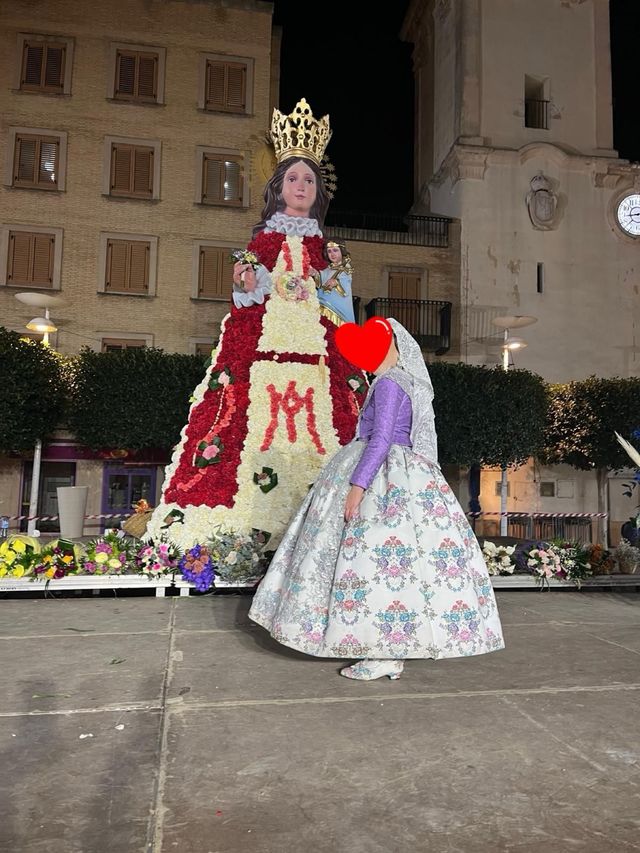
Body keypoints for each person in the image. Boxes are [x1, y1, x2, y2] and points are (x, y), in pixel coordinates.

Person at [145, 99, 367, 552]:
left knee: (333, 424)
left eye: (309, 178)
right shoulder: (262, 241)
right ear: (279, 186)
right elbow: (249, 299)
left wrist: (335, 277)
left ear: (319, 190)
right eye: (293, 178)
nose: (301, 185)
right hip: (261, 359)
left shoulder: (328, 248)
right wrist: (249, 280)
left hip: (321, 361)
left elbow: (341, 309)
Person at [248, 318, 505, 680]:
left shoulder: (388, 384)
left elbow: (381, 440)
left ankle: (382, 653)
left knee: (371, 563)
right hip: (404, 473)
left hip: (382, 472)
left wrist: (358, 485)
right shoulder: (402, 382)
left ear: (391, 346)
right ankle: (389, 650)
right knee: (396, 569)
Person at [315, 240, 355, 326]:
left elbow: (346, 284)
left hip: (338, 307)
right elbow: (320, 281)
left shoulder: (346, 268)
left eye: (335, 250)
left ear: (342, 251)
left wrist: (336, 283)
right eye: (329, 251)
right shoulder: (327, 270)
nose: (332, 254)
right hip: (323, 304)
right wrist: (315, 274)